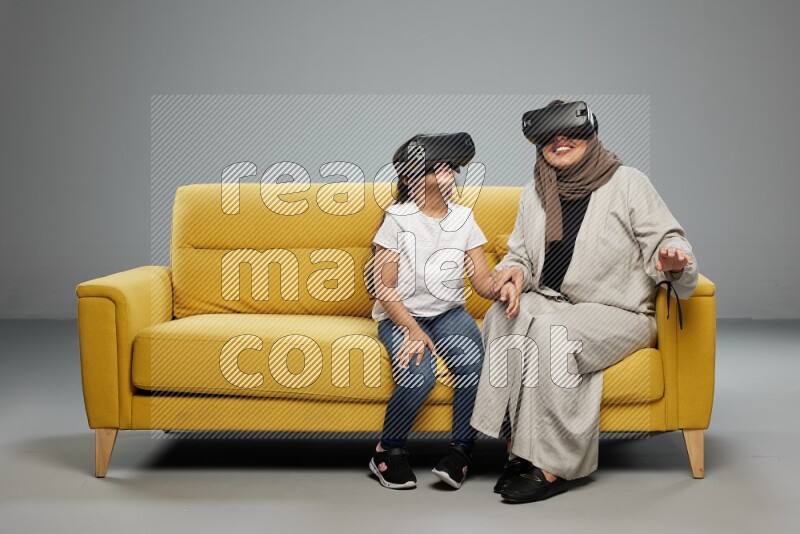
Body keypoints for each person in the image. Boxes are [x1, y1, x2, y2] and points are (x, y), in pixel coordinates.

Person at [470, 100, 698, 503]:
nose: (560, 142)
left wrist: (672, 258)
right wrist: (514, 273)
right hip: (554, 301)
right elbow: (520, 254)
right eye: (549, 137)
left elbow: (667, 237)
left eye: (570, 133)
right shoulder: (534, 192)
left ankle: (553, 465)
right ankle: (517, 448)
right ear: (538, 145)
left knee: (551, 335)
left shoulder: (628, 182)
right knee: (503, 319)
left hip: (618, 311)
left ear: (590, 136)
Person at [368, 134, 518, 490]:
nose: (447, 171)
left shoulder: (464, 218)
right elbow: (384, 286)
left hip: (448, 313)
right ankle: (387, 451)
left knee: (473, 368)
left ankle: (462, 452)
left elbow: (481, 279)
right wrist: (412, 329)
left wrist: (503, 285)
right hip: (400, 315)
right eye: (436, 167)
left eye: (450, 166)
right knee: (419, 378)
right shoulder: (397, 220)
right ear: (410, 179)